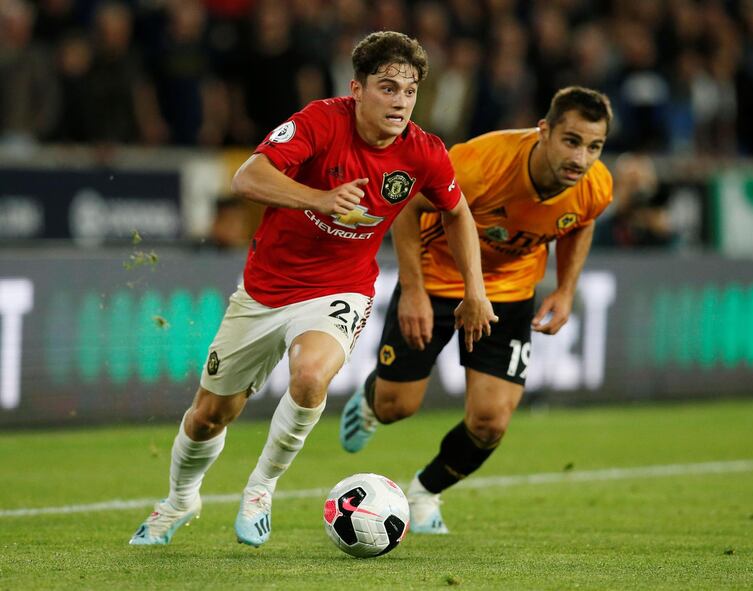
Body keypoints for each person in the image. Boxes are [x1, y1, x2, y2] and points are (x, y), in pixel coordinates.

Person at [129, 30, 496, 548]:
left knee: (308, 377)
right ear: (357, 89)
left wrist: (474, 290)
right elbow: (247, 178)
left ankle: (261, 489)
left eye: (409, 91)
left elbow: (456, 213)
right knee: (211, 415)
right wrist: (316, 198)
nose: (400, 101)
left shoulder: (424, 153)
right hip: (265, 289)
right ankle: (180, 500)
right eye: (387, 88)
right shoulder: (321, 121)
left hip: (340, 288)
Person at [339, 86, 614, 534]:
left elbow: (581, 221)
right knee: (396, 407)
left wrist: (565, 289)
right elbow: (408, 204)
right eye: (571, 141)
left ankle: (425, 493)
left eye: (594, 147)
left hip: (507, 296)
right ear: (544, 131)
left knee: (489, 424)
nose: (581, 159)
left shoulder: (596, 183)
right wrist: (412, 292)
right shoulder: (483, 162)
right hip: (436, 281)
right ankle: (372, 400)